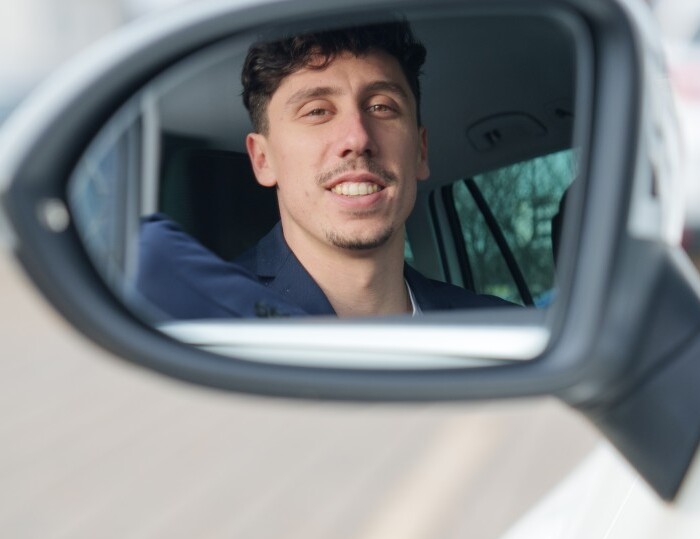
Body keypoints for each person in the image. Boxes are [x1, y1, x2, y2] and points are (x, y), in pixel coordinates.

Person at [136, 20, 509, 319]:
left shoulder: (502, 330)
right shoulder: (203, 318)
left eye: (381, 106)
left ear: (420, 151)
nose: (357, 138)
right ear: (263, 160)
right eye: (317, 111)